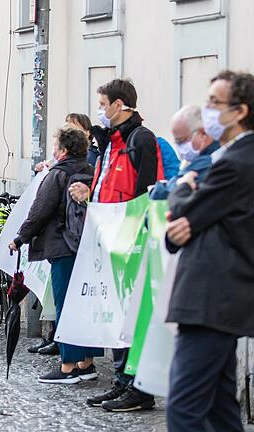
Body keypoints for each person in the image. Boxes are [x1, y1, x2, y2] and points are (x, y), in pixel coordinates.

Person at [164, 71, 254, 432]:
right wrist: (192, 209)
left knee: (183, 409)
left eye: (215, 103)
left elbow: (183, 211)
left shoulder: (236, 162)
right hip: (220, 297)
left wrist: (184, 187)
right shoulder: (232, 157)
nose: (208, 110)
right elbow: (185, 225)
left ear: (240, 111)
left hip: (212, 296)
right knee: (220, 408)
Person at [69, 78, 162, 412]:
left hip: (130, 240)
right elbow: (109, 184)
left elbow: (145, 191)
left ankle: (139, 387)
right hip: (108, 236)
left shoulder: (141, 139)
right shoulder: (111, 141)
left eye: (103, 104)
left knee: (131, 316)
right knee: (117, 317)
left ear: (119, 105)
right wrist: (89, 193)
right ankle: (122, 381)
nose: (100, 110)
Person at [10, 128, 104, 384]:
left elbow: (40, 211)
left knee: (66, 303)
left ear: (63, 150)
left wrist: (20, 238)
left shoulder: (58, 174)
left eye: (54, 144)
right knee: (85, 303)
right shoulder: (90, 170)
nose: (53, 149)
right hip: (87, 246)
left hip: (63, 246)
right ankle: (87, 362)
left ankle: (68, 366)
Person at [151, 105, 220, 200]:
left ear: (202, 133)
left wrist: (160, 187)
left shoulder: (207, 162)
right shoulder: (203, 159)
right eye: (177, 142)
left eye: (182, 140)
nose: (180, 147)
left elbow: (161, 193)